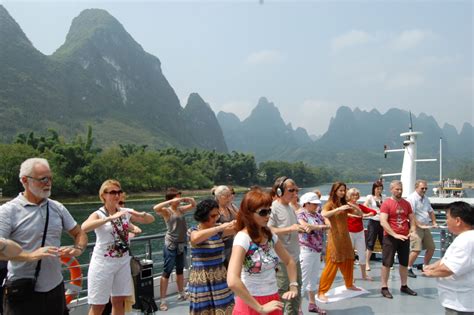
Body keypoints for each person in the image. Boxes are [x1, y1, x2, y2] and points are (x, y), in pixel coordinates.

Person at [0, 157, 88, 315]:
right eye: (43, 179)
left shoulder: (57, 208)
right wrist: (30, 256)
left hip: (55, 289)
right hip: (23, 291)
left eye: (50, 178)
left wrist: (78, 248)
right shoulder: (8, 212)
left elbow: (78, 232)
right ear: (25, 180)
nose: (48, 183)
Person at [82, 179, 155, 315]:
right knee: (98, 305)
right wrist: (109, 218)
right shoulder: (99, 214)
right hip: (103, 264)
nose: (116, 195)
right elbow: (84, 227)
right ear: (103, 195)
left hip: (122, 262)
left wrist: (141, 215)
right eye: (112, 192)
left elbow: (150, 220)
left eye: (119, 192)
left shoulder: (125, 212)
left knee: (118, 300)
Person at [227, 188, 298, 315]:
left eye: (269, 211)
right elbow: (232, 280)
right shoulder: (243, 238)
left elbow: (289, 261)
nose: (268, 216)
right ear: (248, 214)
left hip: (273, 298)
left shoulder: (269, 235)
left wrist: (293, 285)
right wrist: (260, 308)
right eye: (263, 212)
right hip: (251, 302)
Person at [423, 201, 474, 315]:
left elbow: (449, 269)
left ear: (457, 221)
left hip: (460, 304)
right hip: (460, 301)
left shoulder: (465, 241)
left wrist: (429, 273)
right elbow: (449, 259)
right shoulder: (467, 237)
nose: (446, 221)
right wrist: (432, 266)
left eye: (447, 218)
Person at [188, 199, 235, 315]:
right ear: (203, 216)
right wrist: (220, 227)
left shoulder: (217, 231)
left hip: (219, 276)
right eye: (213, 216)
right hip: (202, 278)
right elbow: (195, 238)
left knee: (225, 308)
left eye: (217, 215)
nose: (216, 218)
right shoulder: (193, 231)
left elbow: (237, 229)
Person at [317, 182, 362, 303]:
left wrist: (354, 206)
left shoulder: (344, 204)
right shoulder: (330, 204)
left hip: (345, 237)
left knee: (349, 260)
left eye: (344, 190)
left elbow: (359, 214)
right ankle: (322, 291)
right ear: (335, 191)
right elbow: (323, 214)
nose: (343, 192)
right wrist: (339, 209)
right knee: (332, 264)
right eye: (340, 190)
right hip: (335, 238)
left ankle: (349, 284)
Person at [153, 188, 195, 311]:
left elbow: (193, 205)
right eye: (177, 198)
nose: (179, 200)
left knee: (180, 271)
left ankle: (181, 293)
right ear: (171, 199)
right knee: (167, 271)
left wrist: (187, 199)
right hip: (171, 245)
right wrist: (170, 202)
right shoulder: (167, 211)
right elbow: (156, 208)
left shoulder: (181, 210)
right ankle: (162, 300)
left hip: (182, 244)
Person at [268, 177, 306, 315]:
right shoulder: (273, 208)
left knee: (297, 290)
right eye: (291, 190)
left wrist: (300, 227)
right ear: (279, 191)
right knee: (283, 292)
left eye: (296, 190)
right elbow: (268, 230)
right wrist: (290, 229)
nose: (295, 193)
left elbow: (292, 226)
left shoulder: (290, 207)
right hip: (281, 259)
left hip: (294, 258)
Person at [379, 180, 419, 299]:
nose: (399, 191)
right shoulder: (386, 204)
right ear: (391, 190)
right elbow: (383, 221)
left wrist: (412, 230)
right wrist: (394, 234)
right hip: (390, 238)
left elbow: (412, 219)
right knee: (387, 263)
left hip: (404, 237)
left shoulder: (406, 204)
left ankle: (404, 285)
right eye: (397, 189)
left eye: (401, 189)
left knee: (404, 263)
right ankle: (384, 287)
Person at [296, 192, 328, 314]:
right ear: (306, 204)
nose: (316, 206)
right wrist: (319, 227)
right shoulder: (301, 214)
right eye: (314, 204)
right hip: (306, 250)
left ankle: (312, 304)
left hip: (317, 251)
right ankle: (298, 308)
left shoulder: (318, 216)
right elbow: (304, 226)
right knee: (303, 280)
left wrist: (314, 227)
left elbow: (327, 225)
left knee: (313, 280)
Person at [406, 180, 438, 278]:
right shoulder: (412, 198)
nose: (424, 190)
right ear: (416, 188)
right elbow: (411, 214)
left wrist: (434, 222)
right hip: (415, 227)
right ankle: (408, 268)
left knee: (431, 247)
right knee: (416, 249)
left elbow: (431, 211)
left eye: (426, 188)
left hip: (425, 226)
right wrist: (419, 225)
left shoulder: (426, 199)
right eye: (422, 188)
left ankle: (425, 266)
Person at [346, 188, 376, 280]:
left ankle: (364, 275)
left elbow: (374, 212)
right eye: (353, 195)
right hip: (349, 232)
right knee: (350, 255)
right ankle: (350, 276)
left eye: (356, 195)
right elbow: (343, 214)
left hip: (359, 232)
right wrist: (354, 215)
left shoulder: (360, 206)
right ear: (349, 196)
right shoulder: (346, 206)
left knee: (362, 254)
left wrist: (366, 215)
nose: (355, 197)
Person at [213, 185, 238, 268]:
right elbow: (213, 230)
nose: (229, 198)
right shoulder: (214, 210)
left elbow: (241, 219)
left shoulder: (229, 208)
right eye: (227, 196)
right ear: (219, 197)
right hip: (219, 246)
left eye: (230, 195)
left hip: (231, 244)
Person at [364, 180, 385, 272]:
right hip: (373, 221)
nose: (379, 190)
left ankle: (386, 262)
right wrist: (370, 212)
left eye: (380, 189)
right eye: (377, 189)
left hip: (383, 222)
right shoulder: (370, 197)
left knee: (384, 242)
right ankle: (367, 263)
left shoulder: (384, 197)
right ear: (374, 189)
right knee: (371, 242)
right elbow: (364, 207)